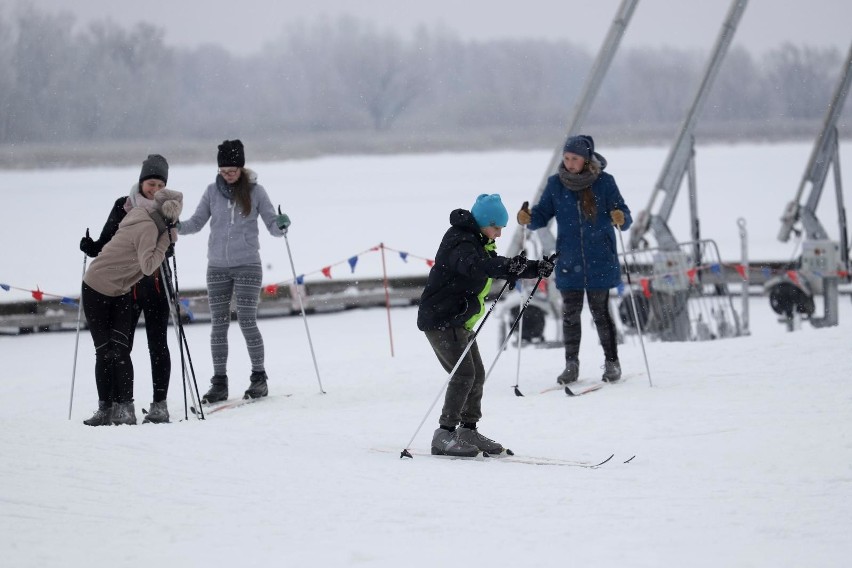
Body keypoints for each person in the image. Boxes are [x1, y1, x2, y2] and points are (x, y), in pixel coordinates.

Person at [417, 193, 554, 457]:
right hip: (442, 320)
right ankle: (444, 434)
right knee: (463, 374)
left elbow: (496, 264)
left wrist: (535, 267)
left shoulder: (478, 240)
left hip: (459, 321)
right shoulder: (460, 241)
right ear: (482, 222)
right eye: (496, 228)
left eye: (502, 228)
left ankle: (468, 429)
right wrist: (507, 267)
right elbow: (478, 266)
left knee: (476, 374)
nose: (499, 234)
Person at [178, 139, 291, 403]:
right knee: (218, 324)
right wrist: (175, 227)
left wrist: (282, 225)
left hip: (248, 266)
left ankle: (259, 378)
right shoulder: (211, 192)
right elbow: (196, 223)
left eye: (232, 170)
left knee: (247, 320)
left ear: (241, 168)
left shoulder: (256, 192)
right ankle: (219, 383)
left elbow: (273, 226)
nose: (227, 175)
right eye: (223, 171)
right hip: (216, 267)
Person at [517, 135, 632, 384]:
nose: (569, 163)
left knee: (600, 313)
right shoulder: (556, 184)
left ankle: (612, 363)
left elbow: (625, 216)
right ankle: (571, 365)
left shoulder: (605, 183)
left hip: (600, 258)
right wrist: (527, 217)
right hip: (569, 260)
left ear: (586, 159)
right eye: (566, 158)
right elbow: (541, 215)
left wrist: (620, 217)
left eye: (575, 159)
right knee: (570, 314)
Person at [80, 154, 176, 425]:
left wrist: (164, 240)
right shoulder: (123, 206)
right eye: (150, 184)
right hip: (125, 287)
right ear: (141, 182)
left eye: (159, 185)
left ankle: (159, 405)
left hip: (155, 283)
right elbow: (109, 241)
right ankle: (115, 405)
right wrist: (92, 247)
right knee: (121, 347)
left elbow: (169, 247)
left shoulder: (168, 211)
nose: (154, 190)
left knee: (158, 344)